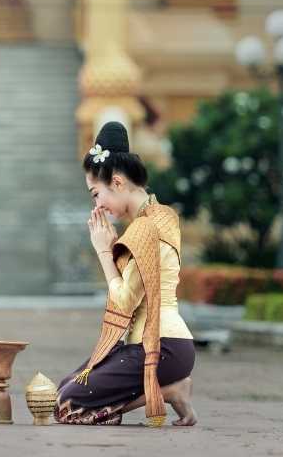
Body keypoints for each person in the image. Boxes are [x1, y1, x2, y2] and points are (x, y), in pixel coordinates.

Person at [54, 121, 197, 427]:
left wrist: (104, 251)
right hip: (158, 344)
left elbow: (124, 300)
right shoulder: (160, 216)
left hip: (162, 346)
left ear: (117, 183)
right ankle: (167, 387)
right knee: (64, 389)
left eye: (96, 194)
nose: (97, 205)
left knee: (68, 405)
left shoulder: (147, 227)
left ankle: (169, 390)